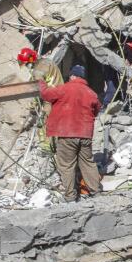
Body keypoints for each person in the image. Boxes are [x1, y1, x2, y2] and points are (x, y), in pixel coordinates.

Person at [39, 64, 103, 199]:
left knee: (67, 165)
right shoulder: (91, 93)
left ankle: (70, 196)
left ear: (72, 76)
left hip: (67, 134)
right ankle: (96, 191)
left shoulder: (64, 89)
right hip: (85, 135)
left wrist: (41, 83)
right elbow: (96, 110)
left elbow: (46, 94)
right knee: (88, 163)